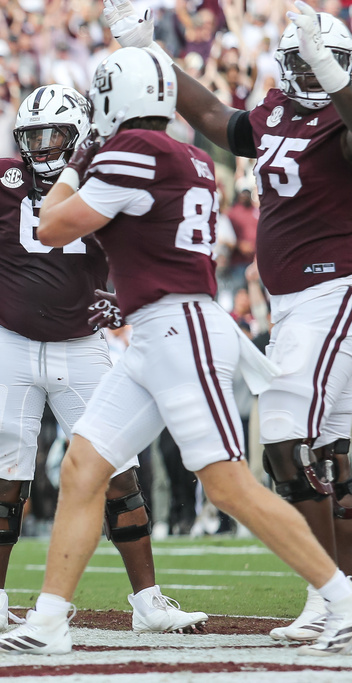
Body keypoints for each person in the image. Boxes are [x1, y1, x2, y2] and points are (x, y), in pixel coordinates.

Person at [0, 46, 352, 658]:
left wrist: (80, 154)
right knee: (83, 466)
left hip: (179, 332)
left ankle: (342, 599)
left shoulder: (130, 153)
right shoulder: (190, 155)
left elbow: (50, 227)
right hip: (157, 332)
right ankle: (47, 622)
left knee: (228, 485)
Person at [0, 83, 206, 635]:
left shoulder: (104, 176)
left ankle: (149, 601)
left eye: (53, 135)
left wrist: (128, 299)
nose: (40, 148)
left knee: (116, 471)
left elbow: (141, 249)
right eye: (31, 137)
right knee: (0, 474)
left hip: (82, 345)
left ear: (78, 134)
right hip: (6, 341)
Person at [104, 0, 352, 647]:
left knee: (283, 433)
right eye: (302, 60)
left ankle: (331, 597)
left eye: (324, 64)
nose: (311, 73)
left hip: (336, 288)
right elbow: (216, 117)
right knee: (333, 457)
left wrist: (331, 73)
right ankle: (336, 595)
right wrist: (152, 51)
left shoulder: (341, 114)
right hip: (294, 300)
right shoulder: (273, 108)